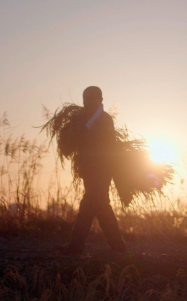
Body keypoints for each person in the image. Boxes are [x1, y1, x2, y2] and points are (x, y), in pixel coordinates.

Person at [59, 86, 126, 255]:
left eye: (91, 99)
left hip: (102, 170)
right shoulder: (79, 118)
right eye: (85, 99)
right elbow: (74, 140)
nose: (87, 102)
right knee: (98, 204)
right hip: (88, 169)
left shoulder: (104, 120)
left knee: (91, 204)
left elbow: (103, 144)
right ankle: (117, 245)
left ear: (100, 100)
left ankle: (77, 246)